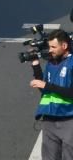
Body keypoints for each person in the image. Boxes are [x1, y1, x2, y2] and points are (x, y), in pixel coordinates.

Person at [31, 29, 73, 159]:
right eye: (49, 47)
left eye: (54, 47)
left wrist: (46, 85)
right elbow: (46, 90)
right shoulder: (51, 63)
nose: (50, 50)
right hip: (49, 119)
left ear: (64, 46)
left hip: (68, 120)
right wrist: (35, 66)